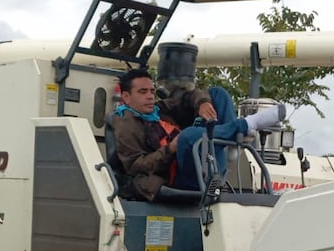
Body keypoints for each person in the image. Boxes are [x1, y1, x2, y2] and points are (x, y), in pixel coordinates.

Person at [111, 68, 285, 199]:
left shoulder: (159, 109)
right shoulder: (126, 123)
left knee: (217, 93)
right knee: (188, 136)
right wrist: (170, 149)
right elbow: (134, 166)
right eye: (143, 92)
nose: (150, 96)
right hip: (176, 175)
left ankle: (232, 147)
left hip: (203, 160)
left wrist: (202, 103)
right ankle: (246, 126)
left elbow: (189, 96)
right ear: (126, 97)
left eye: (151, 91)